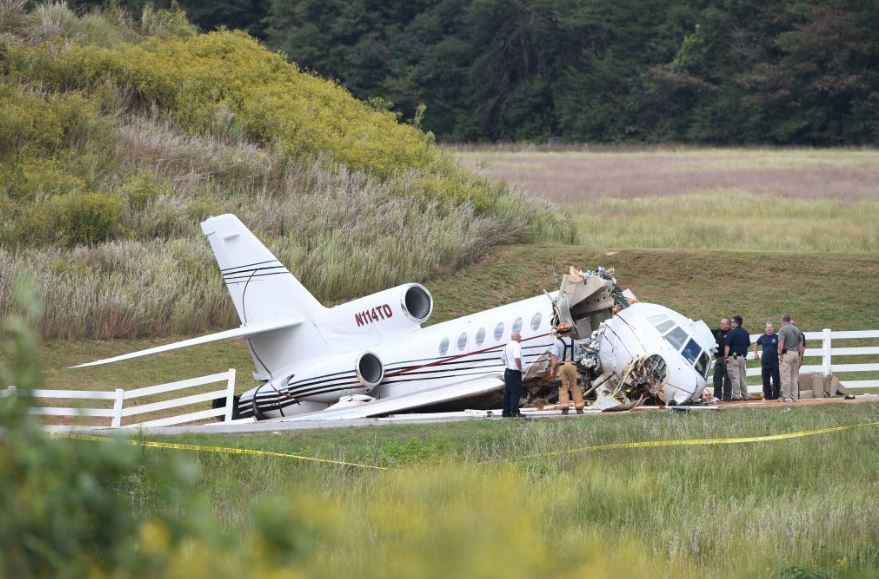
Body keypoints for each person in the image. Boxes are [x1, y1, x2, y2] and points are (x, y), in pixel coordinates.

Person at [550, 322, 584, 415]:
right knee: (576, 387)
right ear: (568, 332)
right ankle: (579, 409)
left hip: (562, 366)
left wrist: (552, 369)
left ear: (559, 332)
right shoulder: (575, 342)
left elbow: (555, 358)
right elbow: (580, 354)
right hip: (573, 366)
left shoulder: (557, 343)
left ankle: (565, 409)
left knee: (563, 387)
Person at [777, 314, 804, 402]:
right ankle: (794, 396)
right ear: (789, 320)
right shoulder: (797, 329)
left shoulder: (783, 329)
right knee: (794, 376)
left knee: (786, 375)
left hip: (787, 353)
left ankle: (786, 396)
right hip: (796, 353)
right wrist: (799, 355)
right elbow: (801, 343)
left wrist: (780, 354)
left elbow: (781, 344)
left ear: (783, 320)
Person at [723, 315, 751, 400]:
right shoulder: (745, 332)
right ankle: (745, 395)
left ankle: (736, 396)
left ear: (736, 323)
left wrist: (725, 357)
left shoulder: (732, 332)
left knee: (735, 377)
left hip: (733, 357)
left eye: (732, 322)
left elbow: (727, 346)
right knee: (742, 377)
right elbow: (748, 344)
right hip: (742, 357)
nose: (731, 324)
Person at [501, 331, 525, 418]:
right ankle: (515, 412)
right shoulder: (516, 345)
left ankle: (506, 412)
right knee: (516, 393)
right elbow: (517, 358)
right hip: (514, 372)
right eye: (520, 336)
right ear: (516, 337)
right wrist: (520, 368)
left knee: (508, 393)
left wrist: (507, 364)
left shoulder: (507, 346)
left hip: (507, 371)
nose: (521, 337)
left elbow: (502, 357)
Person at [755, 322, 781, 400]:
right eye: (768, 327)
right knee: (766, 380)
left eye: (770, 327)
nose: (769, 329)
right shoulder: (762, 337)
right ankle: (768, 396)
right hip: (765, 361)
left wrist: (781, 354)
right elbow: (755, 344)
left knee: (776, 380)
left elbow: (781, 346)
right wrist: (755, 354)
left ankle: (775, 396)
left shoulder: (777, 337)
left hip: (774, 361)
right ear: (765, 329)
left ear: (773, 328)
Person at [712, 318, 732, 401]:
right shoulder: (717, 332)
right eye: (722, 324)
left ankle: (727, 397)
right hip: (719, 358)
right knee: (716, 377)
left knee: (728, 378)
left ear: (729, 324)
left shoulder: (732, 333)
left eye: (725, 324)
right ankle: (717, 396)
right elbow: (706, 331)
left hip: (728, 358)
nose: (723, 325)